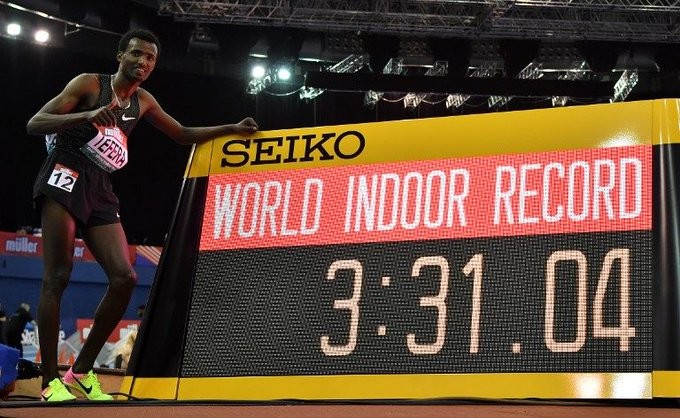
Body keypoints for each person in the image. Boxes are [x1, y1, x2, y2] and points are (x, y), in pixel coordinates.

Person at [26, 28, 258, 402]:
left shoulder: (143, 101)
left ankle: (80, 373)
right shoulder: (89, 84)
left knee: (125, 277)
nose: (143, 62)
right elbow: (35, 123)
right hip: (65, 172)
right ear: (120, 56)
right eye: (136, 54)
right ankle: (49, 382)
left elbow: (181, 133)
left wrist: (230, 128)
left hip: (100, 186)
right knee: (58, 276)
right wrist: (87, 114)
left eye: (150, 58)